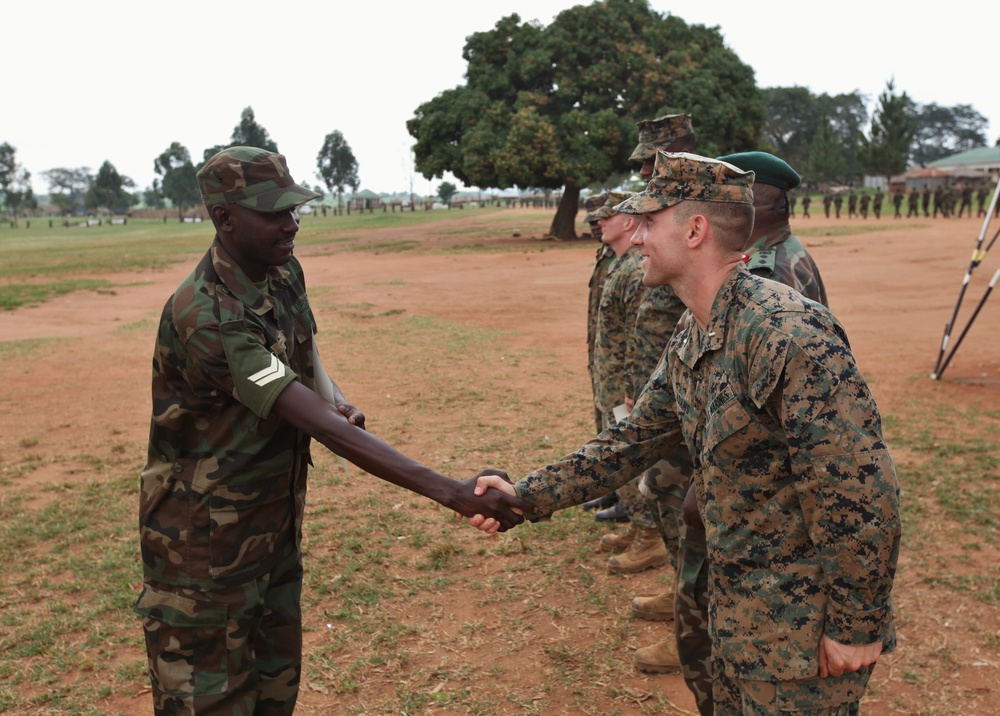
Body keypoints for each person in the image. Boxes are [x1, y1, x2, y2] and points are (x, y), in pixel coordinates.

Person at [472, 151, 900, 716]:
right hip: (735, 616)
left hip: (798, 642)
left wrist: (856, 624)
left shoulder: (786, 334)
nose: (638, 237)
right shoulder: (695, 331)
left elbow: (859, 491)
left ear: (695, 230)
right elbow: (633, 440)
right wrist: (524, 494)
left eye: (650, 222)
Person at [134, 146, 531, 716]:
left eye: (293, 208)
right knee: (210, 702)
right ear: (224, 219)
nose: (291, 223)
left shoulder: (281, 270)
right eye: (272, 212)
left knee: (275, 691)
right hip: (202, 550)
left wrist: (334, 398)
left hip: (270, 527)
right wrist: (450, 491)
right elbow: (315, 421)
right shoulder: (207, 313)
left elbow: (305, 367)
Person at [589, 191, 684, 577]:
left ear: (627, 222)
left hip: (626, 383)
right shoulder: (618, 263)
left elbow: (637, 334)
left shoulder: (635, 268)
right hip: (611, 379)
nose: (598, 223)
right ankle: (640, 527)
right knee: (618, 459)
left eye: (605, 217)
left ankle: (649, 535)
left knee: (631, 461)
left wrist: (631, 385)